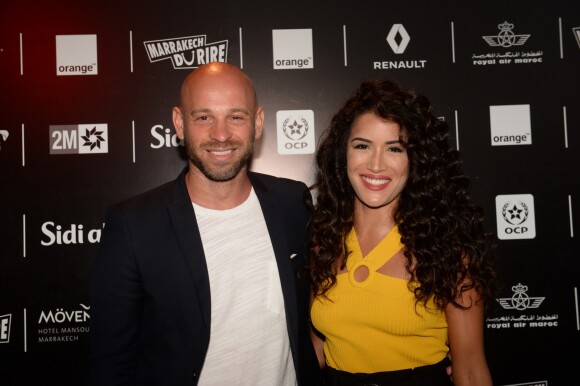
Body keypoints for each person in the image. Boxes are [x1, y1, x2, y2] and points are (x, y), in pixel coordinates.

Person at [88, 62, 322, 385]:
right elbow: (110, 363)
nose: (221, 134)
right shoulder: (133, 226)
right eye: (204, 117)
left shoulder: (291, 203)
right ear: (179, 123)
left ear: (257, 123)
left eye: (236, 117)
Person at [308, 79, 496, 386]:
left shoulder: (445, 252)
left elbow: (472, 372)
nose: (376, 164)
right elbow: (316, 351)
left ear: (415, 160)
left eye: (394, 148)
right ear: (344, 155)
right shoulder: (324, 243)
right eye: (362, 146)